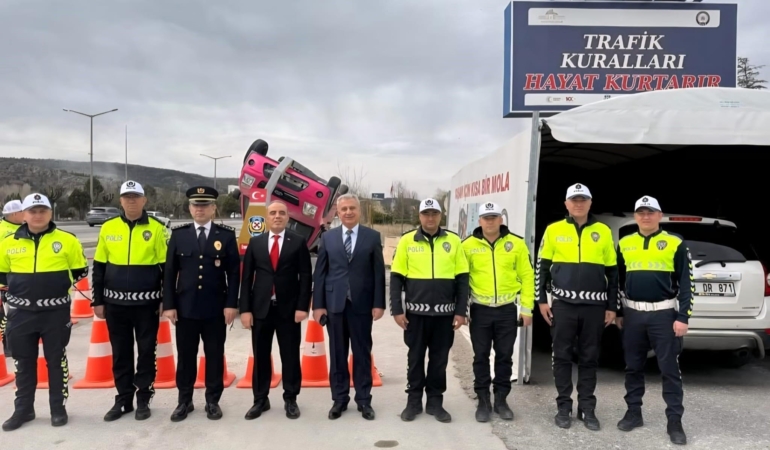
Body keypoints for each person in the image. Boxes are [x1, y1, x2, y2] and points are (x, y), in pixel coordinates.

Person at [0, 193, 88, 431]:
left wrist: (55, 287)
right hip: (20, 313)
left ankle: (57, 408)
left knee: (56, 361)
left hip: (55, 313)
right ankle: (23, 410)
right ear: (23, 214)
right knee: (23, 362)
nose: (37, 215)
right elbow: (2, 274)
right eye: (32, 211)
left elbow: (80, 271)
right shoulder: (8, 242)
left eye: (42, 211)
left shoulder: (67, 240)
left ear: (50, 213)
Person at [535, 183, 618, 430]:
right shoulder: (553, 230)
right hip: (563, 305)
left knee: (590, 358)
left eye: (583, 200)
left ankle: (587, 408)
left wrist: (612, 306)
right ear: (566, 204)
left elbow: (613, 273)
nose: (579, 204)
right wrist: (540, 301)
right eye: (574, 200)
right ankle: (563, 406)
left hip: (594, 306)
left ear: (590, 203)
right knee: (561, 357)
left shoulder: (603, 231)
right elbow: (541, 268)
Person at [615, 196, 691, 445]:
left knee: (669, 369)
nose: (645, 216)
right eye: (641, 212)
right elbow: (617, 280)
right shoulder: (624, 243)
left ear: (660, 215)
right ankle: (633, 412)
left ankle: (674, 421)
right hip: (633, 315)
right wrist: (618, 312)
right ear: (635, 216)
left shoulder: (674, 243)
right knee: (633, 367)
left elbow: (687, 284)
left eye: (651, 212)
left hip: (664, 315)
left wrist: (683, 317)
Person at [92, 181, 169, 422]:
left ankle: (144, 398)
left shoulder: (157, 229)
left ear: (144, 200)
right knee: (120, 353)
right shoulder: (108, 228)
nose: (131, 201)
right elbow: (99, 267)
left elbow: (166, 268)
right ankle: (124, 398)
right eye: (127, 197)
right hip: (115, 305)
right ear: (120, 201)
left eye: (136, 196)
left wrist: (165, 299)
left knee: (146, 352)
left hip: (146, 305)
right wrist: (98, 300)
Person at [163, 186, 240, 422]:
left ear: (213, 208)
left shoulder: (225, 236)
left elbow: (234, 273)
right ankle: (184, 401)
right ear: (189, 208)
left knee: (214, 355)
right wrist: (169, 304)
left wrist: (231, 304)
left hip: (215, 309)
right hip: (185, 308)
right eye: (196, 205)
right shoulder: (179, 235)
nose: (200, 209)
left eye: (205, 205)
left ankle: (212, 401)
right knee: (186, 356)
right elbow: (169, 273)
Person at [390, 198, 469, 423]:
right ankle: (413, 402)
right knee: (414, 359)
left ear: (440, 216)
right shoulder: (407, 241)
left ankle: (435, 403)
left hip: (445, 316)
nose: (430, 218)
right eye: (426, 213)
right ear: (420, 216)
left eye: (434, 213)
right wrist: (397, 310)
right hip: (415, 316)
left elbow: (462, 279)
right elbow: (396, 278)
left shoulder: (454, 241)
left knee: (439, 360)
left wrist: (461, 311)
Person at [313, 193, 386, 421]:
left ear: (359, 210)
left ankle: (364, 400)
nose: (348, 212)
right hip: (334, 305)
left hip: (362, 305)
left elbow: (378, 273)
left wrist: (379, 303)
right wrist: (318, 305)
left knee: (362, 354)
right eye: (343, 209)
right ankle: (339, 399)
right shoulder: (328, 238)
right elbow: (321, 274)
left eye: (352, 208)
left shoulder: (372, 237)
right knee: (337, 354)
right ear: (337, 211)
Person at [239, 200, 312, 420]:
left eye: (281, 213)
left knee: (289, 356)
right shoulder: (256, 242)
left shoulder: (298, 242)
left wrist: (302, 307)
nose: (277, 216)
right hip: (260, 309)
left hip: (288, 310)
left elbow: (306, 277)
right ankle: (260, 399)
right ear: (267, 217)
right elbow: (247, 278)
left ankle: (291, 398)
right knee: (260, 356)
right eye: (273, 213)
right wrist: (245, 310)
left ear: (288, 217)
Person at [461, 202, 534, 423]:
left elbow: (528, 276)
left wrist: (527, 308)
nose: (490, 221)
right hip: (480, 311)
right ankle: (483, 400)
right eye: (486, 217)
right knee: (481, 357)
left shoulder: (517, 244)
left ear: (501, 219)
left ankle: (501, 400)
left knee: (504, 356)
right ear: (479, 220)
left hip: (506, 311)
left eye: (494, 217)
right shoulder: (467, 246)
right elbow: (462, 280)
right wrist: (462, 310)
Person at [0, 199, 24, 354]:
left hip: (21, 280)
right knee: (8, 316)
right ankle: (9, 347)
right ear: (15, 214)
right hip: (7, 282)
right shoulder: (3, 231)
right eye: (23, 211)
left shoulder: (23, 228)